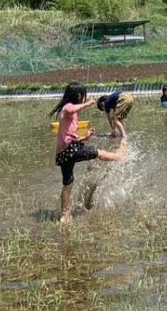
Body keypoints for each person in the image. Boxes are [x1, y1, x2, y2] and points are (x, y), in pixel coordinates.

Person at [50, 82, 126, 224]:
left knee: (68, 184)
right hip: (71, 150)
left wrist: (85, 137)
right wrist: (88, 104)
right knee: (99, 153)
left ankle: (65, 216)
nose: (84, 98)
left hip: (62, 153)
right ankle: (119, 155)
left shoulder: (67, 113)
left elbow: (69, 136)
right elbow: (71, 109)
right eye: (84, 95)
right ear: (79, 96)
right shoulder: (67, 108)